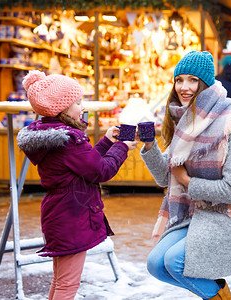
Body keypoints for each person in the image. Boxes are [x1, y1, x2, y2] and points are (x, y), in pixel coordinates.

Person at [139, 51, 231, 299]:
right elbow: (165, 177)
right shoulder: (188, 121)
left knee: (175, 261)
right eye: (179, 80)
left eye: (192, 80)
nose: (184, 87)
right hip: (199, 209)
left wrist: (188, 181)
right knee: (156, 264)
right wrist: (148, 146)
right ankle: (213, 292)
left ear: (206, 84)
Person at [17, 70, 137, 300]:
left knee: (61, 281)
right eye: (77, 103)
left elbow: (86, 166)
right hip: (72, 217)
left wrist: (107, 142)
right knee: (67, 285)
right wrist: (122, 147)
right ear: (61, 109)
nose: (82, 107)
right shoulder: (70, 141)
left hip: (60, 214)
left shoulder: (57, 137)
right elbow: (101, 171)